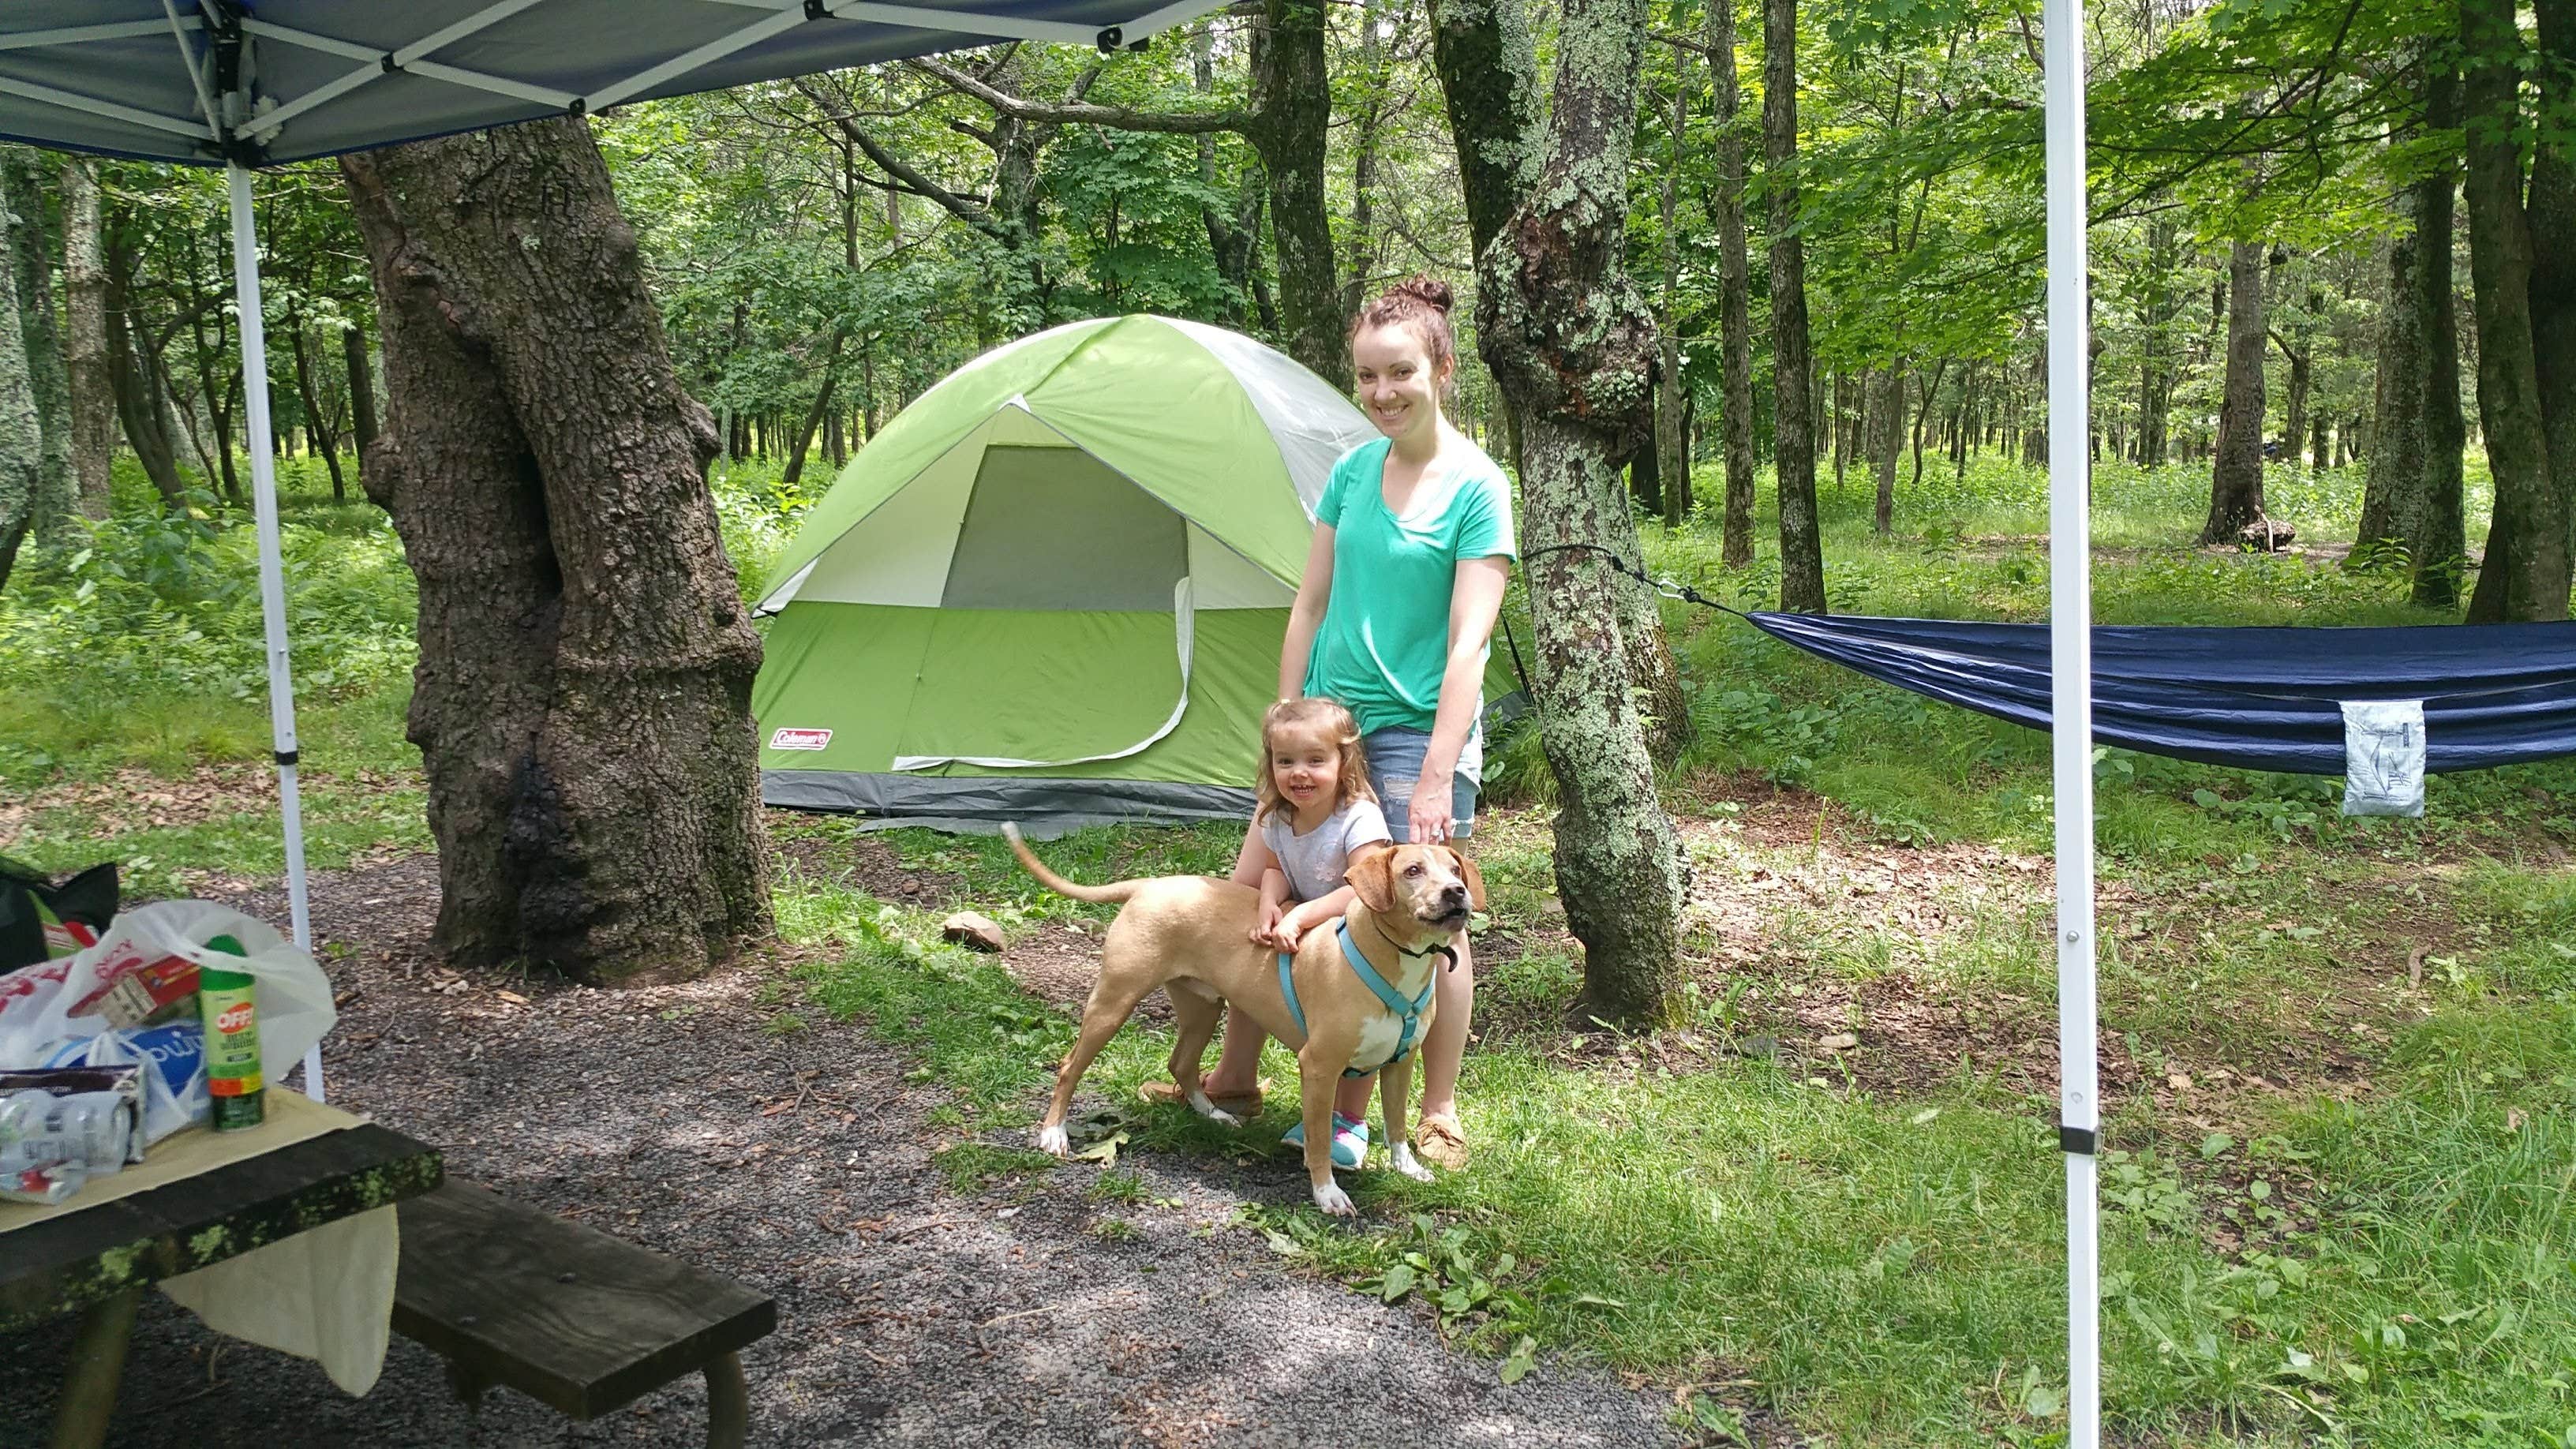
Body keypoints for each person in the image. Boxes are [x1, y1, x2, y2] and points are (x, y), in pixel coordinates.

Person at [1195, 275, 1515, 1170]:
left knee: (1430, 920)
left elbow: (1471, 646)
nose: (1382, 394)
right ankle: (1234, 1075)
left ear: (1442, 368)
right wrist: (1285, 722)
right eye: (1367, 377)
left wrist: (1432, 776)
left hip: (1421, 728)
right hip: (1331, 721)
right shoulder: (1349, 472)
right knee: (1260, 886)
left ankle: (1438, 1110)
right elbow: (1308, 602)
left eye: (1399, 373)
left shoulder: (1480, 488)